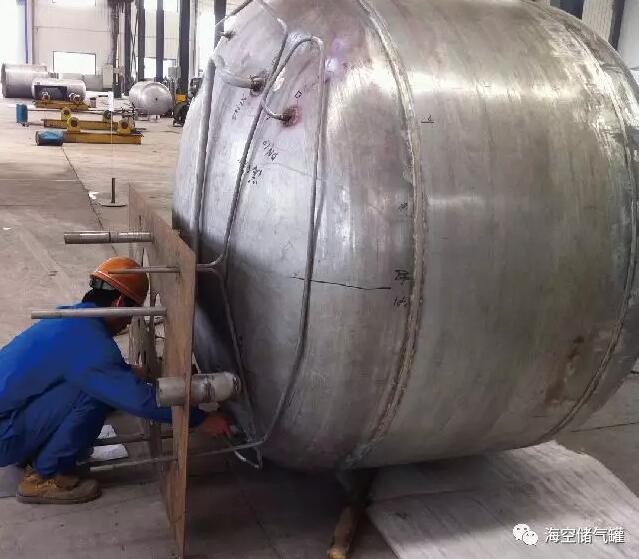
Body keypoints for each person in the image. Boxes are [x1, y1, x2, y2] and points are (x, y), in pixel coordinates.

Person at [0, 256, 230, 504]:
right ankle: (46, 475)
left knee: (99, 386)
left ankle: (32, 448)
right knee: (93, 395)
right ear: (120, 303)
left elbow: (78, 364)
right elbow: (140, 401)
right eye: (132, 313)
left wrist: (126, 372)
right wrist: (201, 420)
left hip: (8, 416)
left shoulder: (71, 318)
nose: (129, 322)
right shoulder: (92, 345)